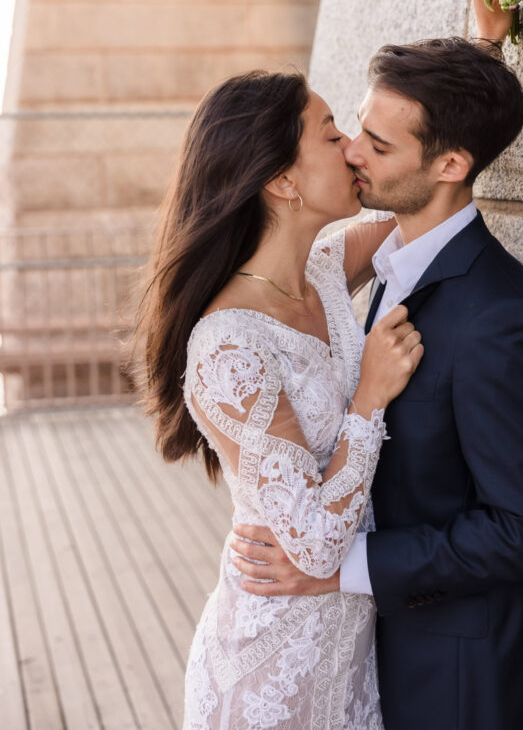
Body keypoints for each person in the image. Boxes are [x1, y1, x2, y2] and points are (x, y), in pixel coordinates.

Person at [229, 0, 523, 730]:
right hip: (377, 656)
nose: (353, 151)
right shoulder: (372, 258)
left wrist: (337, 568)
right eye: (356, 129)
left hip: (464, 681)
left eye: (377, 146)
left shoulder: (500, 321)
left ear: (451, 164)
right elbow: (443, 128)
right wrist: (479, 52)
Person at [137, 67, 425, 730]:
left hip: (353, 649)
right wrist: (370, 395)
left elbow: (429, 189)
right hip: (273, 674)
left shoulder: (323, 271)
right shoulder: (228, 347)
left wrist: (487, 43)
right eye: (331, 136)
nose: (353, 147)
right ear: (281, 181)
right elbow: (317, 547)